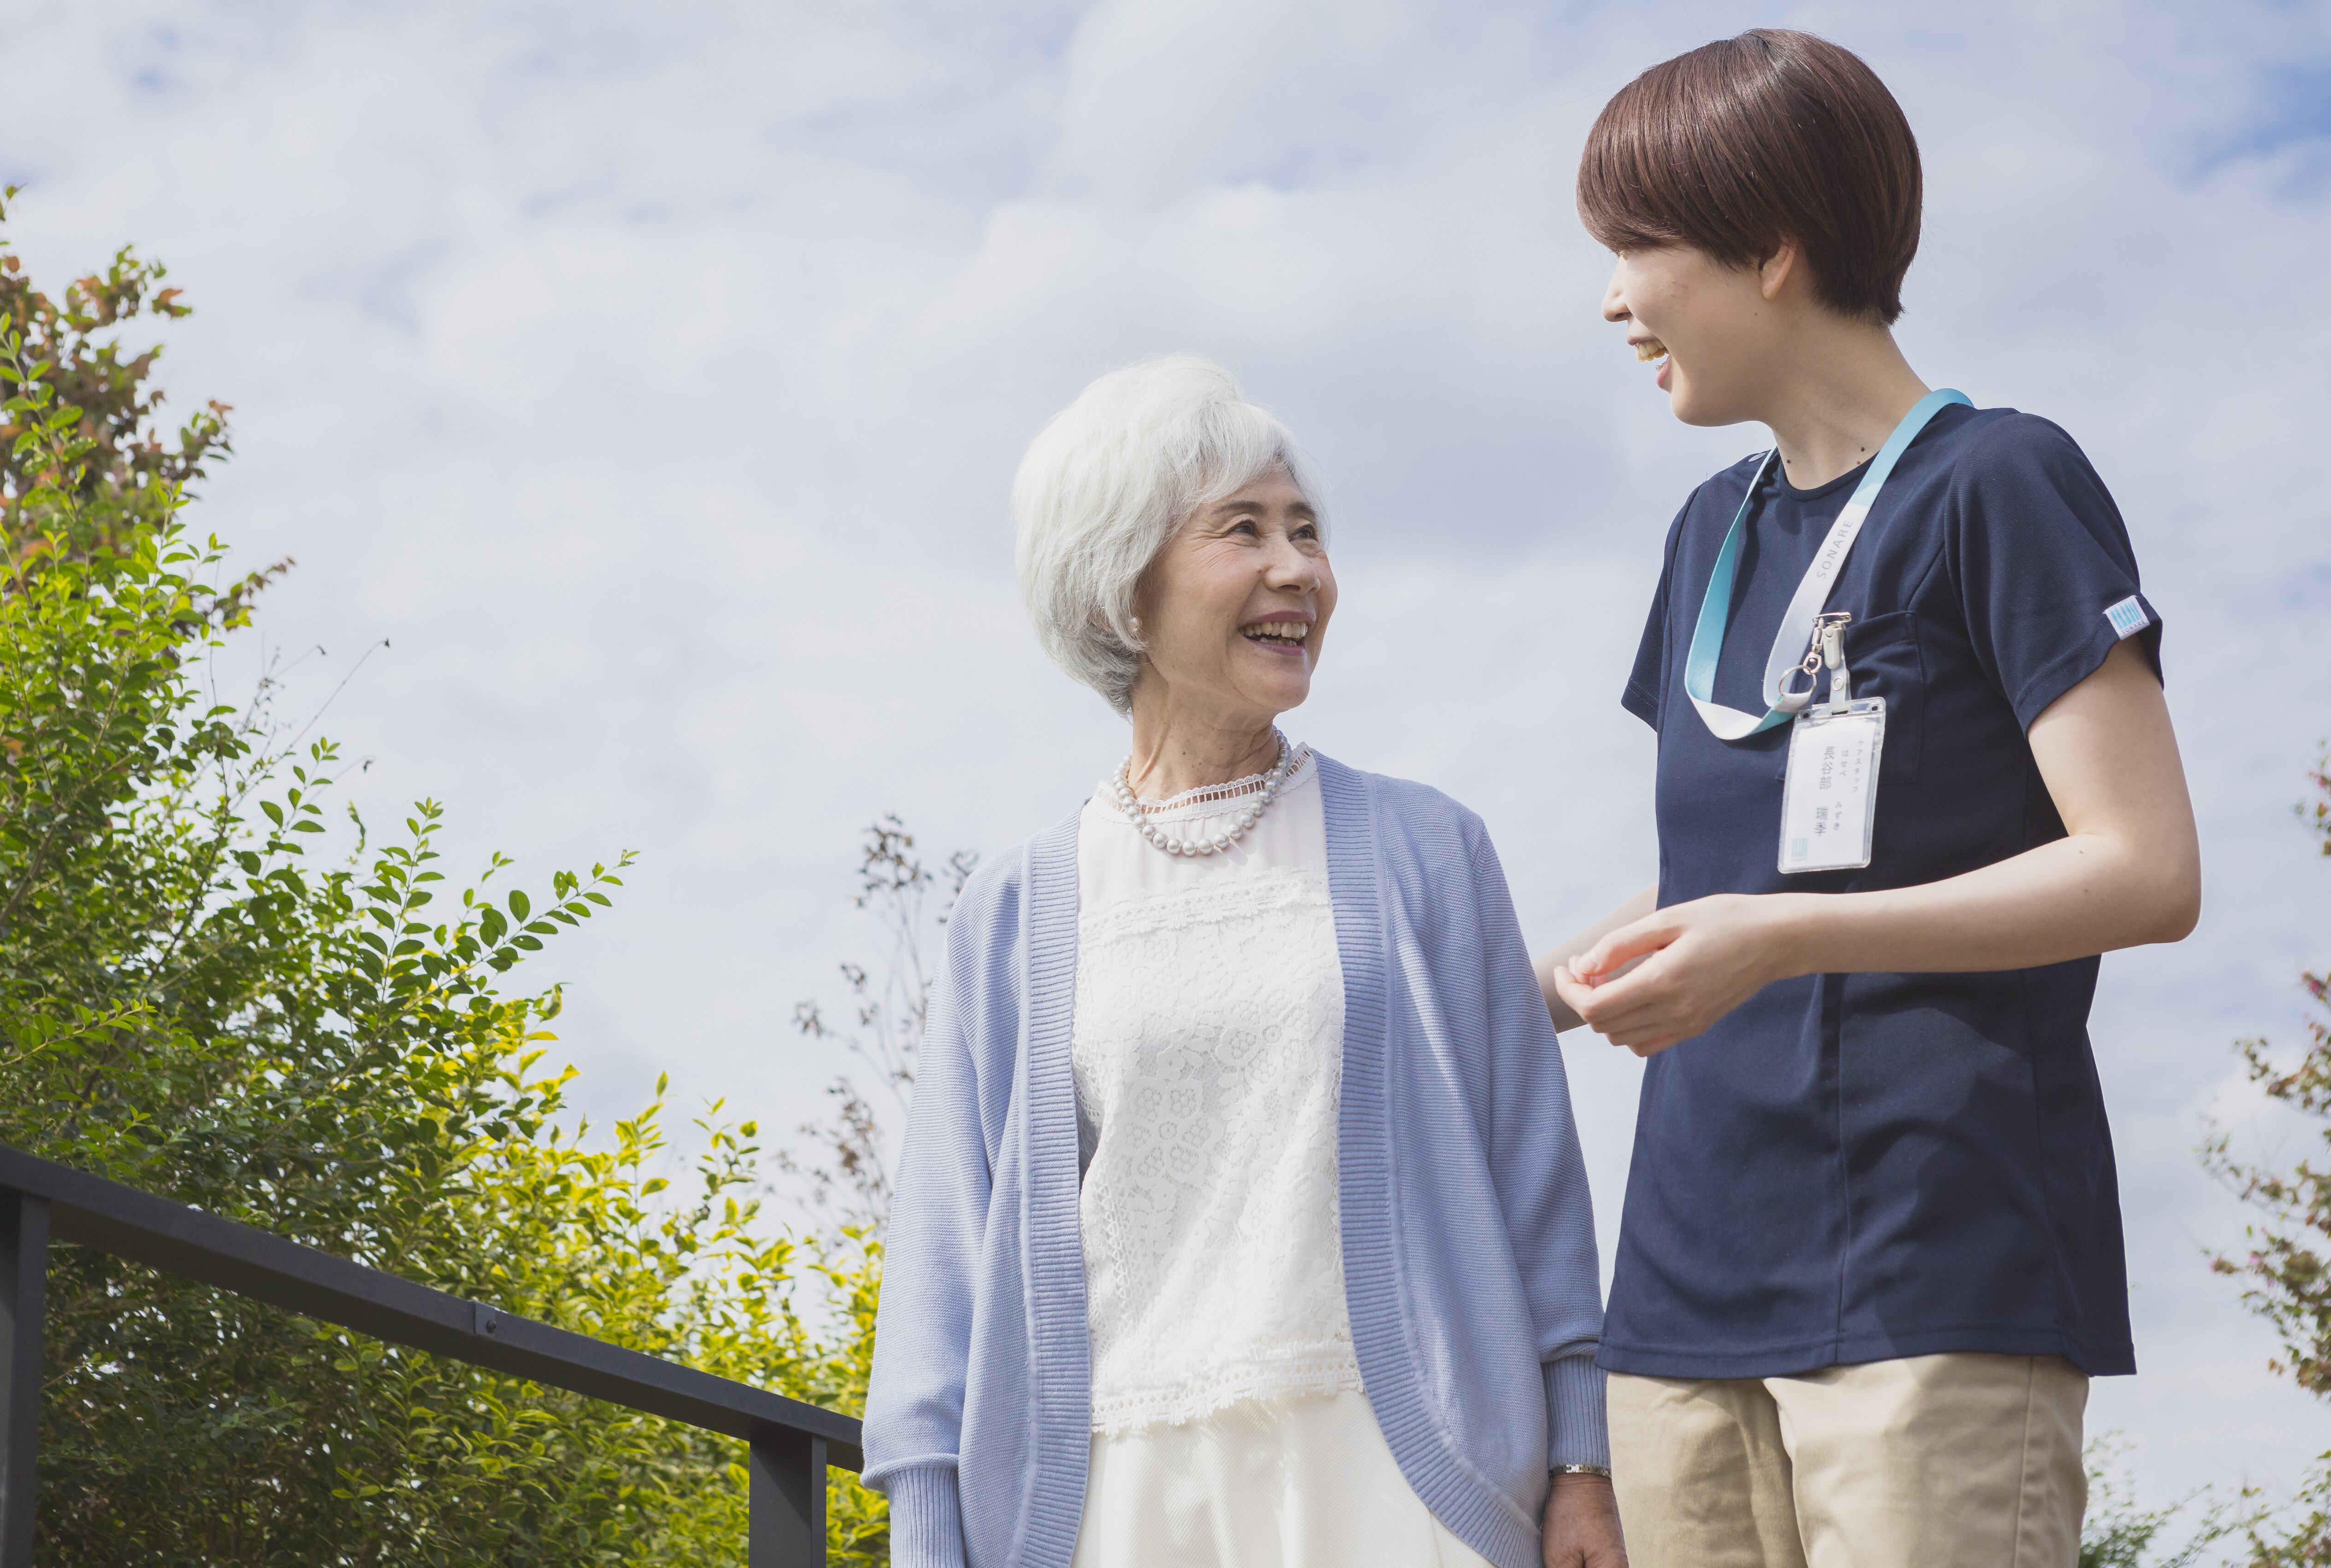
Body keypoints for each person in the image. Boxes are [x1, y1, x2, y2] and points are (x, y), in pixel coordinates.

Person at [1536, 28, 2202, 1568]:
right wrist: (1524, 998)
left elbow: (2145, 868)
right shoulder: (1710, 530)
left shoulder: (2002, 484)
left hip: (1929, 1268)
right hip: (1681, 1303)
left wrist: (1779, 943)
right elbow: (1719, 868)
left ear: (1771, 247)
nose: (1613, 296)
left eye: (1638, 245)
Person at [862, 355, 1626, 1568]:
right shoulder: (1016, 910)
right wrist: (927, 1526)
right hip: (1122, 1492)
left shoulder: (1429, 851)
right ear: (1123, 586)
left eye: (1308, 532)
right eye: (1244, 530)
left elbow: (1534, 1176)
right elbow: (946, 1252)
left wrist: (1582, 1462)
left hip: (1404, 1476)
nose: (1297, 570)